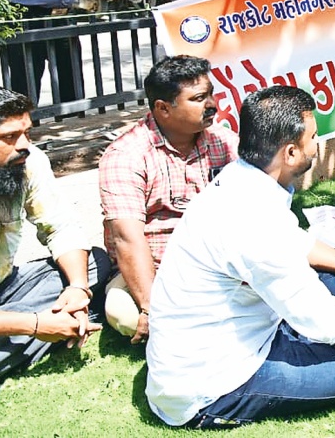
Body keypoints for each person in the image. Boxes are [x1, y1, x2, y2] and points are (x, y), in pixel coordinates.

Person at [146, 86, 335, 428]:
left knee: (330, 276)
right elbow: (329, 322)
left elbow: (298, 244)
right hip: (211, 386)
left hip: (214, 340)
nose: (318, 145)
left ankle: (299, 334)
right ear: (291, 152)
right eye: (314, 137)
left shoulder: (243, 179)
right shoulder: (253, 222)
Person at [99, 56, 238, 342]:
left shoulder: (225, 142)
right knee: (120, 312)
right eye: (199, 98)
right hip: (156, 269)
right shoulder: (126, 156)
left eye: (211, 94)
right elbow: (127, 240)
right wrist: (152, 308)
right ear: (162, 108)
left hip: (217, 259)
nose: (211, 104)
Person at [0, 88, 110, 391]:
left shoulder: (27, 161)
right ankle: (51, 329)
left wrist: (77, 289)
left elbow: (60, 227)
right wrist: (35, 324)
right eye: (9, 137)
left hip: (7, 287)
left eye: (27, 133)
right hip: (18, 307)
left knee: (95, 263)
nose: (24, 146)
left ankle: (62, 320)